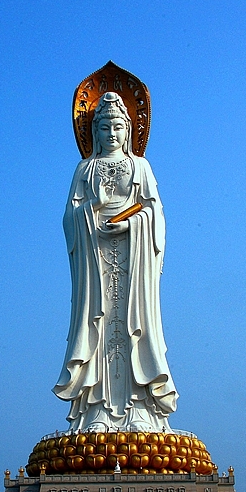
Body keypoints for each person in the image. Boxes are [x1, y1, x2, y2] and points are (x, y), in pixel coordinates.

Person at [56, 89, 178, 433]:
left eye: (117, 128)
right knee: (98, 327)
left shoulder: (140, 166)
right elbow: (69, 217)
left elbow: (154, 212)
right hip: (95, 257)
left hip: (132, 257)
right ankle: (96, 411)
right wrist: (88, 213)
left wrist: (132, 223)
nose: (111, 135)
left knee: (134, 327)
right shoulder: (85, 168)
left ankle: (140, 408)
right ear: (93, 133)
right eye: (104, 128)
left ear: (129, 131)